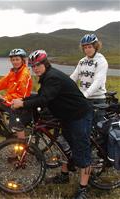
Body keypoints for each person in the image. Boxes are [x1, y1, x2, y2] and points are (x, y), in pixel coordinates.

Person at [12, 50, 93, 199]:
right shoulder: (46, 77)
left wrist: (22, 103)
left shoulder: (53, 77)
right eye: (32, 66)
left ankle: (83, 189)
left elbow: (45, 99)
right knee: (64, 146)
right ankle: (64, 175)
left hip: (79, 115)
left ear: (45, 63)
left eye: (38, 64)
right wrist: (23, 100)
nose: (35, 68)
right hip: (66, 116)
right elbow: (42, 96)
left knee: (82, 151)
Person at [0, 48, 32, 139]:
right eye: (13, 60)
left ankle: (22, 146)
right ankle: (6, 126)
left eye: (17, 59)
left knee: (18, 125)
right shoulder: (13, 72)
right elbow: (1, 83)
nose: (15, 62)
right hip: (10, 100)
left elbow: (21, 95)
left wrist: (5, 98)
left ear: (22, 60)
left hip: (21, 103)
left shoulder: (24, 74)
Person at [70, 34, 108, 123]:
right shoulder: (82, 61)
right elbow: (74, 77)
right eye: (85, 47)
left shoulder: (101, 61)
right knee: (82, 126)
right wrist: (63, 86)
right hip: (84, 99)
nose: (87, 50)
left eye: (90, 47)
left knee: (98, 128)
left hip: (97, 100)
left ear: (95, 46)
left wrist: (85, 95)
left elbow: (98, 82)